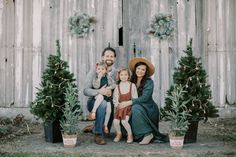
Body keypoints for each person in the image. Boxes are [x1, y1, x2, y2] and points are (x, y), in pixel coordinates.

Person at [118, 57, 168, 145]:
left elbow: (145, 98)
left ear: (146, 72)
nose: (140, 71)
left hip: (148, 107)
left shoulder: (149, 82)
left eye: (143, 70)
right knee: (125, 110)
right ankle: (134, 134)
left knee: (135, 108)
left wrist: (129, 102)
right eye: (138, 68)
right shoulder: (131, 80)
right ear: (135, 69)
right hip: (134, 105)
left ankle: (147, 134)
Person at [83, 46, 117, 145]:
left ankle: (95, 127)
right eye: (107, 56)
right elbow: (86, 90)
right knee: (102, 103)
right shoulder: (95, 70)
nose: (109, 58)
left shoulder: (116, 73)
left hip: (109, 103)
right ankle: (97, 134)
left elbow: (117, 88)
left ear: (114, 58)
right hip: (94, 102)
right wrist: (99, 91)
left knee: (106, 132)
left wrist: (111, 91)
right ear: (103, 57)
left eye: (111, 56)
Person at [90, 61, 116, 134]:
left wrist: (109, 88)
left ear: (106, 70)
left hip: (106, 97)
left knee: (109, 110)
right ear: (96, 70)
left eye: (102, 69)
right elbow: (95, 86)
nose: (100, 71)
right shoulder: (95, 78)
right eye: (99, 69)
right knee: (100, 97)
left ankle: (105, 125)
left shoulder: (108, 77)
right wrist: (99, 78)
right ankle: (93, 111)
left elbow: (114, 85)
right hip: (98, 96)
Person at [113, 68, 138, 143]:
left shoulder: (132, 85)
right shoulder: (117, 87)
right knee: (115, 121)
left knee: (124, 121)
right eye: (121, 75)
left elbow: (135, 97)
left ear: (128, 76)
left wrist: (129, 103)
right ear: (119, 76)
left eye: (125, 75)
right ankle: (119, 133)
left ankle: (130, 134)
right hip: (120, 106)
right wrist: (117, 105)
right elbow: (115, 98)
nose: (123, 76)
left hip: (128, 107)